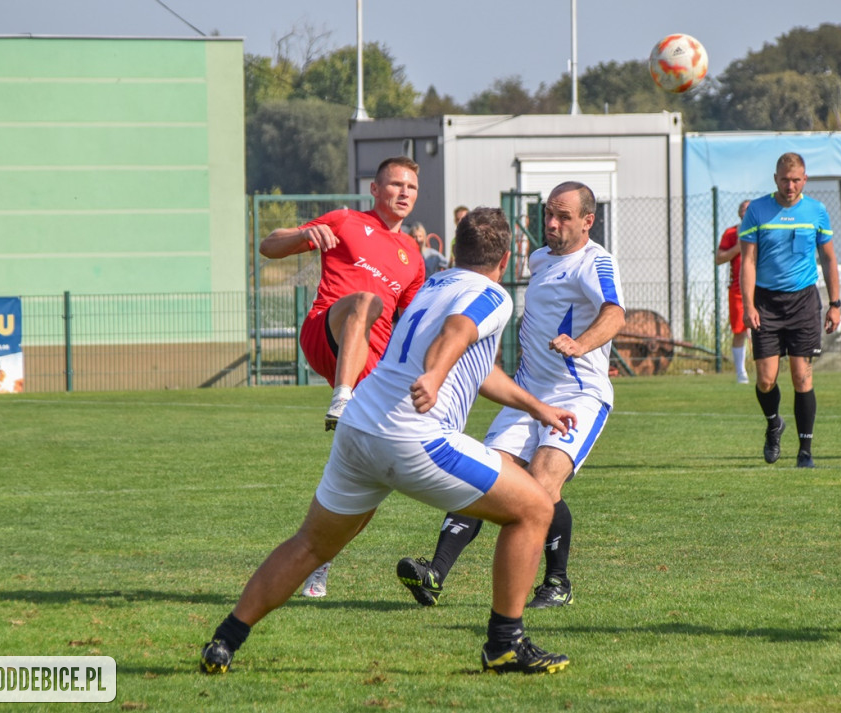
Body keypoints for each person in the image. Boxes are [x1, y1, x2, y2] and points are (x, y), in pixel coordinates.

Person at [199, 208, 574, 675]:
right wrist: (435, 376)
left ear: (454, 250)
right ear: (504, 261)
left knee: (312, 545)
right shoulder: (493, 295)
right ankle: (505, 644)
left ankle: (226, 639)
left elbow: (476, 368)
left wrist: (536, 408)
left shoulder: (433, 285)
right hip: (414, 437)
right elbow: (456, 335)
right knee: (535, 509)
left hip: (359, 428)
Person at [396, 181, 626, 610]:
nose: (552, 224)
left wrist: (581, 343)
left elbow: (615, 312)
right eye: (548, 216)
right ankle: (435, 573)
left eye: (564, 217)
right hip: (528, 393)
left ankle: (557, 584)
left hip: (578, 394)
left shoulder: (596, 263)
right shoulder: (540, 258)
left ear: (588, 222)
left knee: (541, 481)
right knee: (483, 476)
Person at [259, 156, 426, 598]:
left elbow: (407, 326)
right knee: (365, 301)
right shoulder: (346, 221)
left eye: (411, 186)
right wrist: (300, 235)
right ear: (375, 189)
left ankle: (323, 557)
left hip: (374, 368)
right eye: (395, 184)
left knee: (374, 477)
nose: (404, 192)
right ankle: (342, 394)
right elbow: (269, 246)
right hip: (326, 333)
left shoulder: (414, 258)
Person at [739, 152, 841, 469]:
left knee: (801, 376)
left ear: (805, 180)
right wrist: (748, 304)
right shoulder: (757, 210)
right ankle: (773, 424)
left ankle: (805, 452)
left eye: (796, 180)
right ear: (775, 179)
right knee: (766, 379)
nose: (790, 186)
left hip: (804, 303)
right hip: (766, 303)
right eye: (785, 179)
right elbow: (748, 261)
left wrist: (835, 304)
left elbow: (828, 259)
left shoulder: (817, 211)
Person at [714, 199, 752, 383]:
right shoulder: (731, 233)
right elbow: (719, 258)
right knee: (739, 330)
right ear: (739, 213)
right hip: (737, 289)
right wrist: (739, 246)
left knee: (764, 330)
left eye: (750, 209)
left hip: (761, 287)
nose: (747, 212)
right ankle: (740, 372)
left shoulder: (763, 230)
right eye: (744, 209)